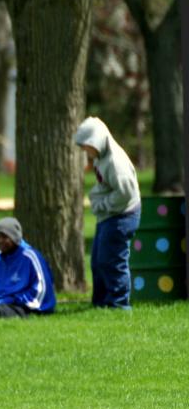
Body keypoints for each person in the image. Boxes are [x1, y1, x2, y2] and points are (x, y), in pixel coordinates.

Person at [73, 117, 141, 309]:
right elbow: (105, 184)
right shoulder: (100, 157)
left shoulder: (115, 162)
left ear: (97, 140)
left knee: (112, 261)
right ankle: (101, 302)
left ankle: (119, 304)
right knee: (98, 261)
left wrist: (103, 204)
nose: (85, 151)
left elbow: (125, 193)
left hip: (122, 215)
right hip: (109, 215)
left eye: (87, 146)